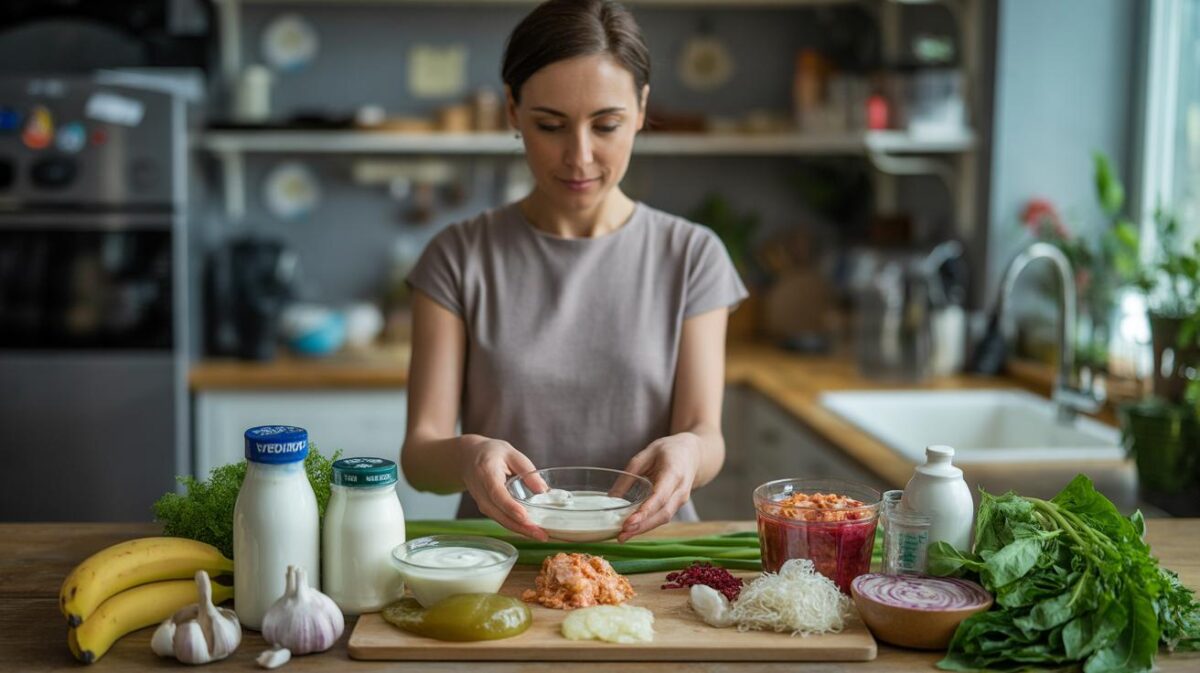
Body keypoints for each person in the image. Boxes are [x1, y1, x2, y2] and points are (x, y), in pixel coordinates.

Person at [401, 0, 747, 543]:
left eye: (606, 124)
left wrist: (691, 451)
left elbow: (705, 432)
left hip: (650, 554)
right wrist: (470, 455)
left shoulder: (692, 255)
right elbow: (421, 456)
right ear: (513, 110)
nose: (579, 156)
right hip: (503, 555)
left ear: (641, 108)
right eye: (550, 125)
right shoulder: (457, 257)